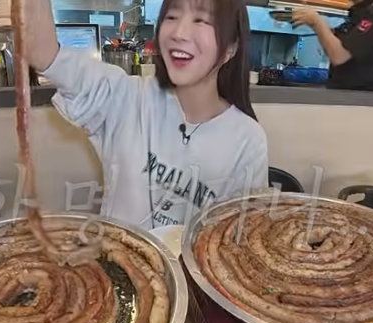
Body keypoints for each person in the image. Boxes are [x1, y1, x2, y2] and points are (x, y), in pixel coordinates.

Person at [24, 0, 269, 229]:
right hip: (117, 257)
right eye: (172, 16)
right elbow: (41, 52)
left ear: (231, 48)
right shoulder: (124, 97)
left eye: (201, 20)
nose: (179, 32)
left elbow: (241, 236)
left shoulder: (247, 139)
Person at [292, 0, 373, 91]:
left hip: (357, 95)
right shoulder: (358, 14)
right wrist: (314, 24)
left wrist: (317, 22)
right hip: (341, 90)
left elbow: (339, 56)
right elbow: (332, 49)